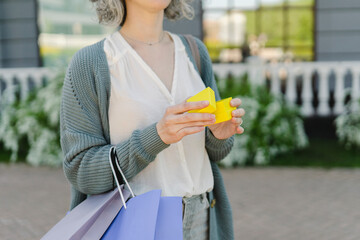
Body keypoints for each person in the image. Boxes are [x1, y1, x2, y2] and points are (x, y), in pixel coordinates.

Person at [60, 0, 245, 239]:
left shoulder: (194, 51)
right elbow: (81, 170)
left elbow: (217, 153)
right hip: (136, 222)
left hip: (204, 220)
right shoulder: (91, 64)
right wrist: (156, 137)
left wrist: (219, 136)